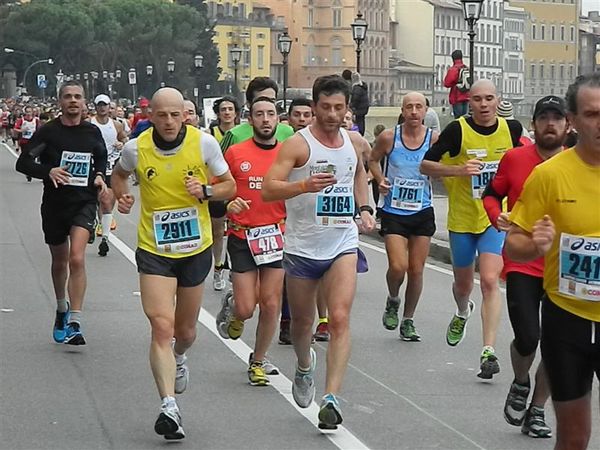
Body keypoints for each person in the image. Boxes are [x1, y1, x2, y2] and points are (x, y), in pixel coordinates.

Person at [111, 87, 235, 440]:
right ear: (151, 116)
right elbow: (119, 175)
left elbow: (230, 186)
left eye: (174, 115)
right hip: (155, 249)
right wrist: (121, 194)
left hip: (195, 248)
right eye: (161, 115)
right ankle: (169, 406)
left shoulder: (204, 144)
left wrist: (207, 191)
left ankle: (180, 357)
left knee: (186, 332)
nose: (168, 121)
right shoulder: (136, 148)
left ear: (185, 114)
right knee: (161, 327)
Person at [262, 74, 376, 429]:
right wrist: (303, 185)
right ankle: (304, 365)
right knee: (302, 324)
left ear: (347, 110)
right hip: (302, 246)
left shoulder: (354, 142)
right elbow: (268, 189)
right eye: (324, 107)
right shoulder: (298, 145)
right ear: (313, 108)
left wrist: (365, 207)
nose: (331, 114)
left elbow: (359, 174)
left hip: (342, 241)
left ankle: (331, 398)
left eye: (338, 108)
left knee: (339, 317)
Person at [505, 73, 600, 450]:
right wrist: (535, 246)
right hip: (568, 320)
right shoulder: (548, 176)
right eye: (592, 114)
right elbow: (514, 245)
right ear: (573, 122)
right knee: (574, 437)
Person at [420, 79, 524, 379]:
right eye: (477, 99)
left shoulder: (512, 130)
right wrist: (458, 170)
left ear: (498, 100)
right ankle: (463, 310)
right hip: (463, 220)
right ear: (469, 102)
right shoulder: (457, 130)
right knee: (463, 285)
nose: (484, 105)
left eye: (489, 98)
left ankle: (488, 350)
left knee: (491, 280)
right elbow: (426, 165)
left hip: (495, 220)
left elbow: (528, 162)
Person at [483, 95, 569, 438]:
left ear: (568, 125)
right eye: (543, 118)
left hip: (563, 269)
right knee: (528, 337)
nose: (550, 124)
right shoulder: (516, 158)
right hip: (523, 261)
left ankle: (537, 409)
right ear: (533, 124)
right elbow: (491, 193)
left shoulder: (581, 164)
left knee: (556, 343)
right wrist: (496, 216)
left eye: (557, 118)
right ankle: (521, 381)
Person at [15, 81, 108, 345]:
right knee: (60, 261)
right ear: (60, 102)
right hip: (55, 204)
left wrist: (100, 176)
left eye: (78, 97)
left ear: (84, 102)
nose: (73, 101)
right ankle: (61, 308)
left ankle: (75, 321)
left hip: (84, 202)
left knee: (77, 258)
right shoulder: (48, 133)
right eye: (68, 96)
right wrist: (49, 172)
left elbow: (100, 157)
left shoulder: (91, 132)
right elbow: (23, 162)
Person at [215, 97, 286, 386]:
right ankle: (233, 305)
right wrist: (228, 204)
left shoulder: (287, 155)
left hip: (275, 235)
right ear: (250, 119)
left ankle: (257, 360)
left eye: (271, 114)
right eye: (260, 114)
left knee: (270, 303)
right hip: (242, 235)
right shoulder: (235, 153)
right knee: (247, 308)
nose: (266, 120)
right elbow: (217, 188)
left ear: (278, 119)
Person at [370, 92, 438, 341]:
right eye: (409, 107)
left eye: (419, 107)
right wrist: (380, 180)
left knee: (416, 270)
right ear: (402, 109)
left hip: (422, 210)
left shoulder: (433, 139)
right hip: (394, 210)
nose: (413, 112)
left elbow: (442, 165)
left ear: (425, 111)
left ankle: (408, 320)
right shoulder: (389, 137)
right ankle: (393, 298)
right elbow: (373, 160)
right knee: (398, 267)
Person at [278, 97, 314, 345]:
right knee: (284, 276)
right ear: (288, 118)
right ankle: (287, 322)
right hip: (280, 217)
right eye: (297, 115)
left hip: (310, 220)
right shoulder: (283, 146)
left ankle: (313, 321)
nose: (302, 119)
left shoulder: (325, 145)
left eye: (306, 115)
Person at [208, 95, 241, 291]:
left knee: (238, 229)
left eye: (230, 109)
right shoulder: (211, 133)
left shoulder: (242, 133)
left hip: (238, 186)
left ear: (236, 113)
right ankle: (218, 267)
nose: (227, 112)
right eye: (223, 109)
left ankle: (235, 269)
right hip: (219, 186)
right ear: (218, 114)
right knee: (218, 231)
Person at [90, 94, 128, 256]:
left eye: (105, 104)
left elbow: (125, 138)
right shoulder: (89, 124)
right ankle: (93, 223)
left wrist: (121, 143)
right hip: (92, 166)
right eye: (99, 105)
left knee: (107, 201)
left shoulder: (117, 125)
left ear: (109, 106)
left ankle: (105, 238)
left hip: (110, 167)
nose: (102, 108)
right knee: (93, 200)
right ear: (95, 106)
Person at [443, 49, 470, 118]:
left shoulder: (453, 69)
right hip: (466, 96)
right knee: (466, 118)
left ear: (453, 58)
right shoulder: (466, 68)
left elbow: (447, 83)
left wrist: (454, 83)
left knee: (458, 119)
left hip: (457, 97)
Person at [350, 71, 369, 136]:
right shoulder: (362, 86)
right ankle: (361, 132)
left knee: (358, 122)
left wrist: (351, 107)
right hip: (363, 108)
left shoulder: (356, 88)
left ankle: (359, 133)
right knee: (362, 121)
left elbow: (355, 99)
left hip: (359, 109)